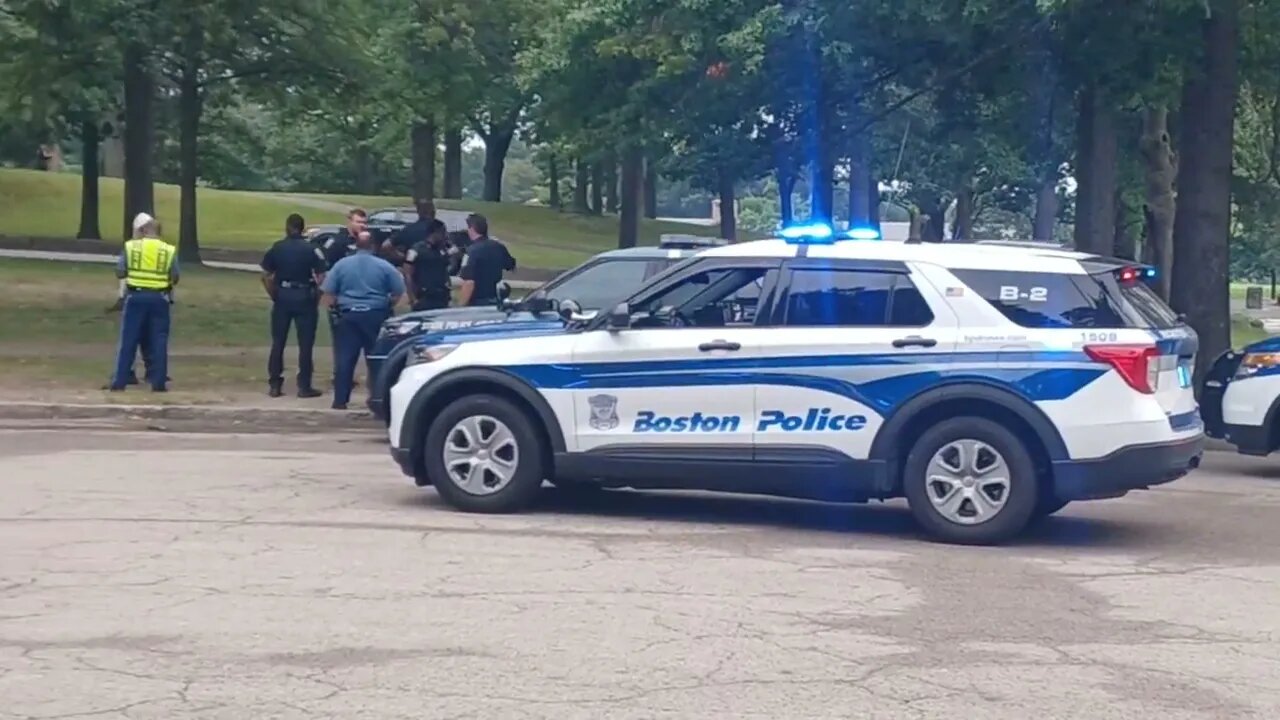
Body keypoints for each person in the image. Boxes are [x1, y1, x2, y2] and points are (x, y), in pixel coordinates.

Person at [321, 230, 405, 410]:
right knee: (375, 358)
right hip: (375, 316)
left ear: (356, 245)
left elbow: (328, 291)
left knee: (344, 359)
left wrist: (334, 309)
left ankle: (340, 400)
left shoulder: (341, 265)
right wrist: (387, 303)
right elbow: (398, 291)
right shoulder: (384, 266)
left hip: (348, 315)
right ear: (374, 246)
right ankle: (376, 398)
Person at [108, 213, 179, 392]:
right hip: (159, 299)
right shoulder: (168, 250)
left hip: (135, 297)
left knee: (128, 340)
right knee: (159, 341)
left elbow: (120, 271)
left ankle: (120, 381)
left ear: (144, 230)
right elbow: (175, 276)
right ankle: (158, 382)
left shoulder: (131, 247)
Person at [261, 213, 328, 399]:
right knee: (305, 344)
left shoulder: (277, 248)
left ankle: (275, 385)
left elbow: (266, 275)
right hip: (305, 295)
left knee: (278, 342)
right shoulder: (312, 249)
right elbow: (322, 276)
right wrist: (317, 295)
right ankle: (304, 386)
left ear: (287, 227)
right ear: (303, 228)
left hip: (283, 296)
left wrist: (274, 294)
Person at [457, 213, 515, 307]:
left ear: (471, 229)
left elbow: (469, 282)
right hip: (495, 301)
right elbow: (510, 265)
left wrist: (460, 306)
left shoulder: (471, 251)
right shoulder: (498, 247)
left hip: (477, 302)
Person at [403, 222, 454, 311]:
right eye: (442, 232)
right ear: (435, 233)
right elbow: (407, 274)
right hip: (424, 297)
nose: (445, 235)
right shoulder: (416, 250)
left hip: (442, 297)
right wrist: (413, 299)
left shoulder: (442, 249)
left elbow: (446, 269)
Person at [382, 198, 444, 266]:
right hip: (437, 270)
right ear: (433, 211)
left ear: (418, 211)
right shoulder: (440, 228)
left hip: (414, 270)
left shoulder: (409, 229)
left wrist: (403, 258)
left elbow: (386, 246)